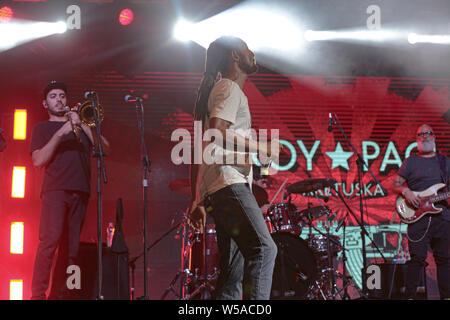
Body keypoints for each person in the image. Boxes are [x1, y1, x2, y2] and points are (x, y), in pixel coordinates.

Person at [187, 36, 282, 300]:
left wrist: (197, 200)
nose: (252, 52)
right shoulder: (228, 88)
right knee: (264, 250)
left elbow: (201, 149)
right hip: (229, 185)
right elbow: (216, 132)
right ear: (235, 56)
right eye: (245, 47)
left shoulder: (220, 89)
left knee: (232, 273)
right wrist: (262, 147)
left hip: (221, 188)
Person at [30, 81, 110, 299]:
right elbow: (38, 160)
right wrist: (60, 133)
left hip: (80, 191)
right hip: (56, 191)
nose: (59, 100)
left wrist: (82, 123)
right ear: (45, 103)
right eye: (54, 96)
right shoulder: (42, 128)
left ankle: (63, 294)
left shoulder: (81, 126)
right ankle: (37, 295)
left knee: (71, 250)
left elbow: (105, 149)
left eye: (62, 96)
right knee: (49, 244)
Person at [393, 124, 450, 300]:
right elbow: (395, 184)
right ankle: (410, 296)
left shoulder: (444, 162)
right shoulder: (411, 161)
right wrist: (406, 191)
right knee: (416, 259)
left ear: (434, 137)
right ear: (416, 139)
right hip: (417, 216)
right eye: (420, 134)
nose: (424, 136)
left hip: (443, 216)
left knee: (445, 260)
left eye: (428, 133)